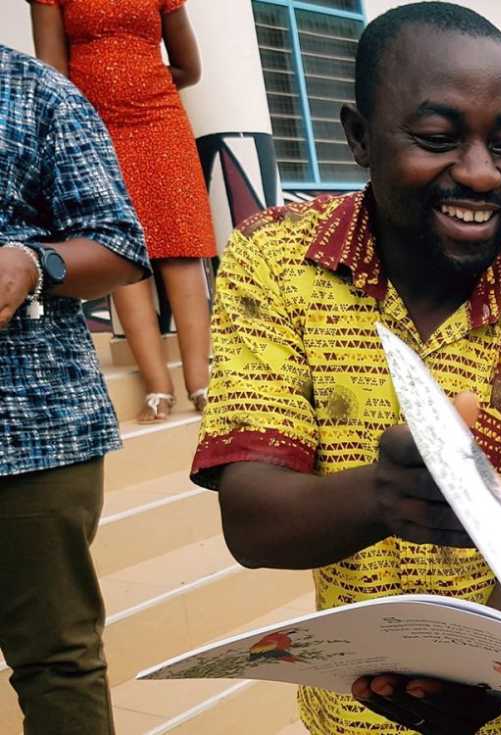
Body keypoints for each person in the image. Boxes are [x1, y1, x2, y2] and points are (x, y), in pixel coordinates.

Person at [188, 4, 501, 734]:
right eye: (436, 138)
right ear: (359, 137)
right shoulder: (275, 261)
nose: (483, 173)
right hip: (344, 714)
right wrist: (387, 495)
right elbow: (253, 521)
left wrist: (484, 681)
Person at [0, 44, 150, 735]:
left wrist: (32, 261)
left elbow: (119, 242)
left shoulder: (35, 93)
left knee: (57, 659)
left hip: (30, 433)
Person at [30, 0, 216, 422]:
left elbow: (189, 67)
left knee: (182, 246)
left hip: (159, 121)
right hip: (96, 127)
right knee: (124, 252)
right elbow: (52, 75)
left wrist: (139, 86)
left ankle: (201, 382)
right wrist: (96, 106)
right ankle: (157, 388)